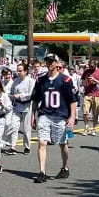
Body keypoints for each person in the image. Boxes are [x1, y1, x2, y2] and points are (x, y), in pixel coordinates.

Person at [32, 53, 77, 183]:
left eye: (52, 61)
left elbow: (72, 100)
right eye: (47, 61)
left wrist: (72, 116)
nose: (49, 64)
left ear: (57, 64)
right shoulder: (40, 80)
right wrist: (32, 115)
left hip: (60, 115)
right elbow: (35, 100)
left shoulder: (65, 80)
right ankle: (42, 172)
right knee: (42, 142)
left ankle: (65, 167)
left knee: (63, 144)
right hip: (44, 115)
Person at [6, 63, 35, 155]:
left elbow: (31, 94)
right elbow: (11, 92)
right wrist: (11, 97)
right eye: (17, 70)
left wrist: (20, 96)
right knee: (14, 126)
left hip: (27, 106)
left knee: (26, 129)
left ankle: (27, 146)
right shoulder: (15, 81)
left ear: (26, 71)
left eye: (20, 70)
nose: (18, 72)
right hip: (16, 106)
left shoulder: (31, 81)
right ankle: (12, 146)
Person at [80, 59, 99, 136]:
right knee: (85, 113)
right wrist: (85, 80)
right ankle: (86, 127)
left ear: (96, 64)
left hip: (98, 95)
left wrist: (94, 80)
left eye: (92, 65)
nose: (91, 67)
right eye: (89, 65)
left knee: (96, 114)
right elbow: (83, 83)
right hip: (88, 94)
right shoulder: (86, 71)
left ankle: (94, 129)